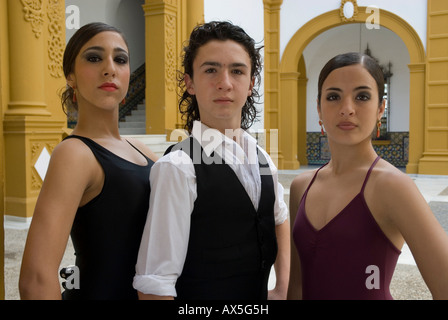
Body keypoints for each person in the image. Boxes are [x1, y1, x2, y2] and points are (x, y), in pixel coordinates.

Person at [133, 21, 290, 300]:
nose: (225, 83)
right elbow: (154, 283)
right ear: (190, 82)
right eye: (211, 70)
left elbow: (279, 217)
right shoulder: (178, 167)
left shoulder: (263, 158)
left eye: (237, 71)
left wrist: (281, 288)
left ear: (252, 83)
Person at [288, 52, 448, 300]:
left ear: (380, 109)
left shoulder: (393, 186)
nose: (347, 109)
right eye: (333, 97)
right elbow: (297, 285)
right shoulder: (301, 186)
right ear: (319, 108)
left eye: (362, 97)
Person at [19, 22, 158, 300]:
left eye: (120, 59)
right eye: (94, 58)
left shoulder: (142, 150)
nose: (110, 68)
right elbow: (36, 279)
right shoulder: (74, 154)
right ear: (70, 76)